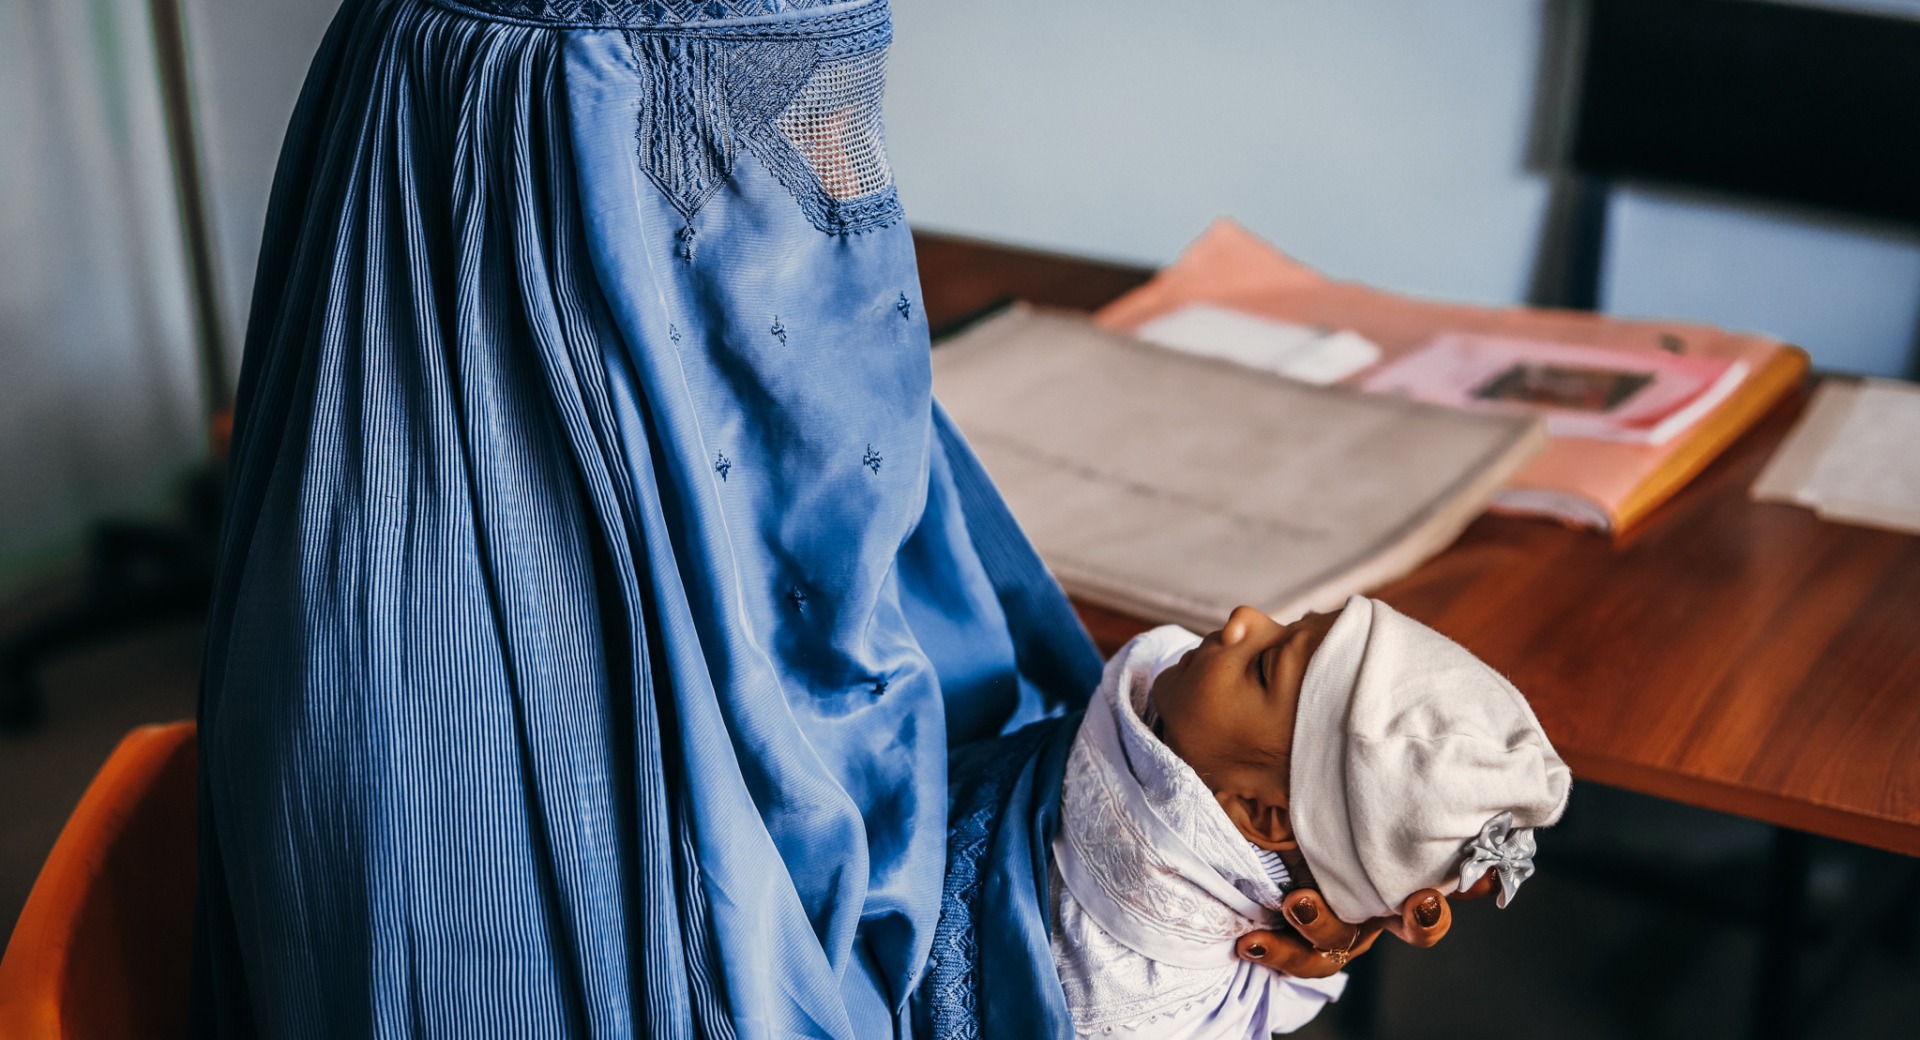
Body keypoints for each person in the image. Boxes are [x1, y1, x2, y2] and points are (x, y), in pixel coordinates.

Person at [191, 0, 1107, 1036]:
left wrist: (1177, 847)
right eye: (789, 118)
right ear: (553, 167)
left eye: (847, 116)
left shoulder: (758, 442)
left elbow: (923, 786)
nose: (855, 184)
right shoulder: (437, 783)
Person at [918, 599, 1564, 1038]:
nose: (1243, 619)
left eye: (1264, 665)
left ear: (1259, 812)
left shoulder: (1136, 987)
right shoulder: (1164, 757)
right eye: (1285, 625)